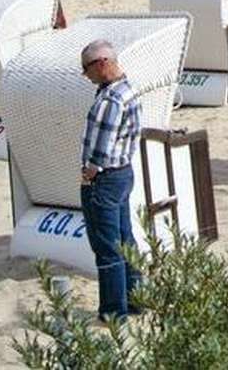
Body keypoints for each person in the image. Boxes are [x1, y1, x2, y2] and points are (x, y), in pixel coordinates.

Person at [79, 39, 142, 324]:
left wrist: (89, 172)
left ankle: (114, 310)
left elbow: (102, 146)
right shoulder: (128, 89)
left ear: (102, 64)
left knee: (107, 247)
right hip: (124, 171)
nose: (86, 75)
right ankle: (137, 298)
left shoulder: (109, 99)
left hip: (105, 177)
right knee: (126, 239)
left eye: (87, 69)